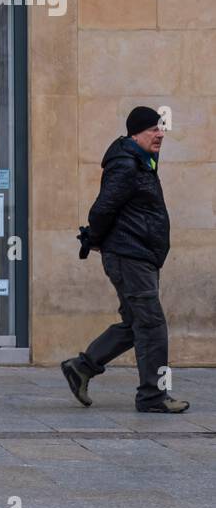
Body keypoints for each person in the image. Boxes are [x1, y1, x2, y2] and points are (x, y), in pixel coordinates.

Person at [61, 107, 188, 413]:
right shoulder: (126, 165)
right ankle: (152, 397)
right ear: (135, 134)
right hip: (130, 256)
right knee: (153, 327)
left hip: (138, 255)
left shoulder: (141, 161)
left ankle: (82, 367)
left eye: (160, 129)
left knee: (136, 324)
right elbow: (103, 208)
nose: (159, 134)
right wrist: (95, 238)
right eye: (152, 130)